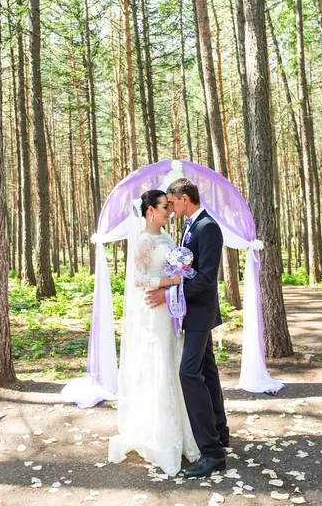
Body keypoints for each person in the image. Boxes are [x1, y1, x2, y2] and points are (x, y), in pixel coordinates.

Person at [108, 189, 198, 477]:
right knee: (159, 366)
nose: (169, 211)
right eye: (164, 207)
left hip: (168, 309)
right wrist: (171, 280)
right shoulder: (145, 240)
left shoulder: (166, 237)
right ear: (150, 211)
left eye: (170, 207)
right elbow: (139, 278)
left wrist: (180, 276)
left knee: (174, 363)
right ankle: (161, 437)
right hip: (154, 310)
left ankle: (183, 435)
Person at [145, 178, 229, 478]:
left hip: (201, 313)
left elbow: (206, 277)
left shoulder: (208, 227)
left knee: (188, 373)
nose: (170, 206)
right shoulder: (191, 225)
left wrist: (168, 293)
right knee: (207, 371)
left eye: (172, 201)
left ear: (184, 198)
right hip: (193, 312)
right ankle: (220, 431)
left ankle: (212, 452)